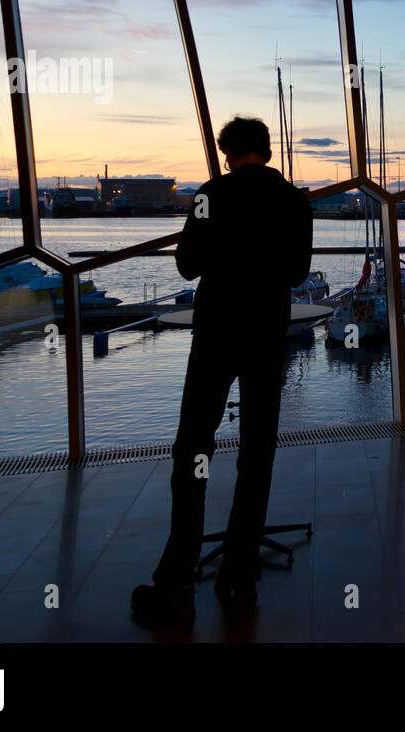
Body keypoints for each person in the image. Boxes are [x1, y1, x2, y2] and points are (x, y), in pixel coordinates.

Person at [131, 117, 313, 625]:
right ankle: (239, 578)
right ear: (268, 150)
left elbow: (188, 266)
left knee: (193, 447)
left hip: (216, 333)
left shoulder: (211, 194)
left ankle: (178, 579)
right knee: (257, 451)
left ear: (228, 150)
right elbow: (297, 272)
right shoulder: (294, 201)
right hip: (266, 332)